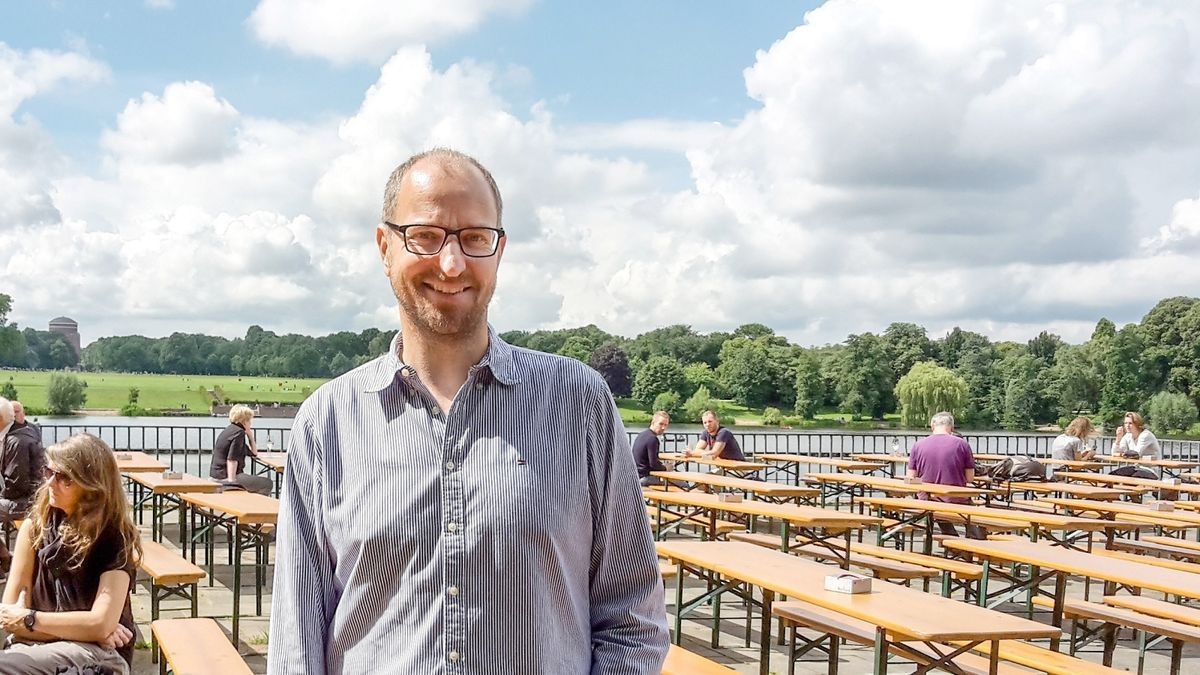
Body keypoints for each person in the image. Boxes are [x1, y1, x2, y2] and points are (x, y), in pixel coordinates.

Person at [268, 149, 668, 674]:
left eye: (475, 238)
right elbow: (296, 643)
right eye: (425, 236)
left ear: (499, 250)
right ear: (385, 246)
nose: (452, 264)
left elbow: (632, 620)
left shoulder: (580, 402)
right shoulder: (327, 421)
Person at [0, 433, 141, 674]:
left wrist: (30, 620)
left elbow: (100, 623)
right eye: (48, 472)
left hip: (99, 656)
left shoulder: (113, 538)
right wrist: (85, 628)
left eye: (64, 477)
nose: (50, 483)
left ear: (92, 486)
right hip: (39, 647)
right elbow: (9, 616)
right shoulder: (34, 529)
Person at [907, 411, 983, 538]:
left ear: (932, 427)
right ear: (952, 427)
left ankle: (952, 541)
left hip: (928, 499)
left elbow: (910, 479)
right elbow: (970, 478)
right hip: (956, 498)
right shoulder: (962, 444)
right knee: (972, 515)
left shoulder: (918, 445)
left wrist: (925, 481)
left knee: (937, 509)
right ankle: (974, 541)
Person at [0, 398, 45, 575]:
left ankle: (5, 558)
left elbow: (17, 484)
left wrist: (1, 496)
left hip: (28, 502)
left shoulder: (16, 441)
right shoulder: (15, 435)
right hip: (27, 497)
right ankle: (4, 557)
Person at [210, 404, 272, 495]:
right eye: (249, 420)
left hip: (216, 474)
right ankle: (254, 504)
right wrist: (231, 483)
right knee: (267, 483)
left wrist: (250, 436)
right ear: (244, 421)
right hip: (225, 476)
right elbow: (232, 459)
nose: (250, 423)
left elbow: (254, 453)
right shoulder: (239, 433)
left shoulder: (231, 430)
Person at [632, 411, 670, 486]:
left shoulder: (641, 435)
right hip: (645, 478)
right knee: (683, 485)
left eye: (665, 425)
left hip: (635, 477)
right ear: (653, 423)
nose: (663, 428)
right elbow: (653, 464)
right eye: (661, 424)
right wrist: (666, 468)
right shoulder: (652, 439)